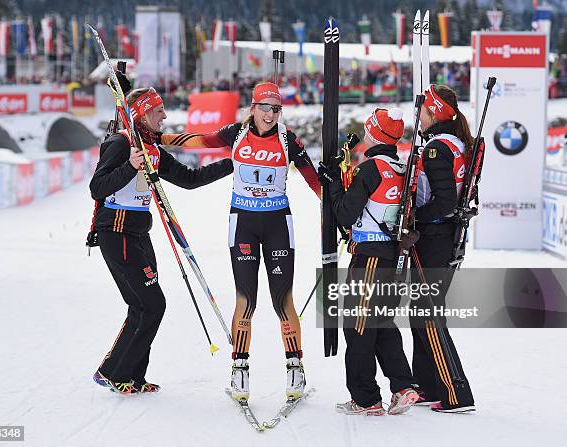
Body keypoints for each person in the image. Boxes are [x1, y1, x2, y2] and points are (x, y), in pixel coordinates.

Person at [160, 82, 320, 401]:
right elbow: (198, 140)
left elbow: (313, 179)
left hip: (278, 223)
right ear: (253, 108)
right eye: (265, 108)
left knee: (282, 299)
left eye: (276, 109)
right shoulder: (235, 133)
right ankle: (239, 371)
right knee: (246, 299)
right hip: (243, 223)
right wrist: (159, 138)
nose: (271, 115)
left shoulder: (289, 139)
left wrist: (334, 208)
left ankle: (295, 369)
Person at [89, 87, 233, 395]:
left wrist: (233, 162)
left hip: (140, 232)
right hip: (116, 231)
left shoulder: (152, 148)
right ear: (141, 113)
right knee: (151, 304)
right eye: (158, 111)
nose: (165, 116)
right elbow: (97, 187)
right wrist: (129, 165)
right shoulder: (121, 143)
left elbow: (190, 179)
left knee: (144, 305)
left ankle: (132, 376)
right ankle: (113, 372)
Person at [318, 108, 419, 416]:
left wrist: (332, 183)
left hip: (370, 260)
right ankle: (403, 386)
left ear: (374, 133)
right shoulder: (400, 166)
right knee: (382, 323)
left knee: (358, 326)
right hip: (395, 256)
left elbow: (345, 215)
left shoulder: (371, 168)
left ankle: (365, 398)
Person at [410, 84, 475, 413]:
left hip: (434, 237)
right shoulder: (453, 141)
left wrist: (412, 221)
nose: (418, 115)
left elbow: (445, 202)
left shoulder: (437, 148)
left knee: (427, 316)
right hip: (441, 238)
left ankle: (456, 391)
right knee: (420, 314)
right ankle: (427, 384)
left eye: (421, 109)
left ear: (433, 112)